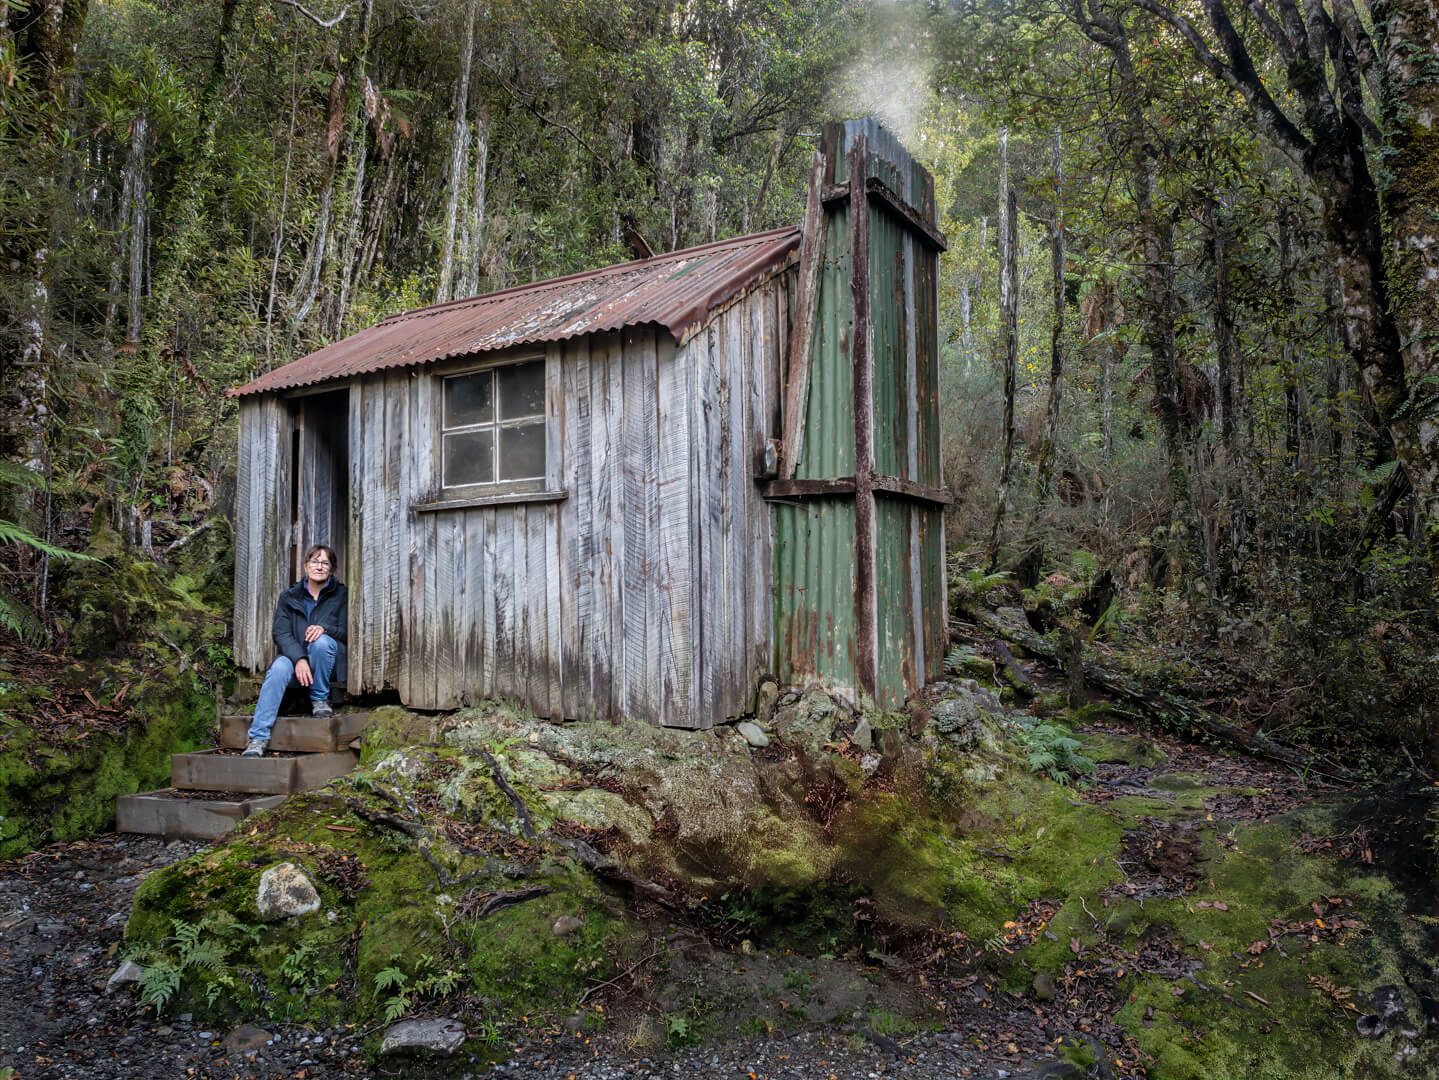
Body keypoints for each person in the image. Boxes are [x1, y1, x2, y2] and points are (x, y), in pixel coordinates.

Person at [243, 544, 348, 757]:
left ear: (331, 568)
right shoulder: (289, 597)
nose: (319, 566)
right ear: (305, 566)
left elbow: (348, 631)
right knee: (279, 666)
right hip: (296, 659)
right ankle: (258, 738)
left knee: (321, 643)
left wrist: (325, 629)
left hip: (328, 663)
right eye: (314, 562)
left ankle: (319, 699)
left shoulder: (341, 595)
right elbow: (281, 634)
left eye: (324, 563)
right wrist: (299, 658)